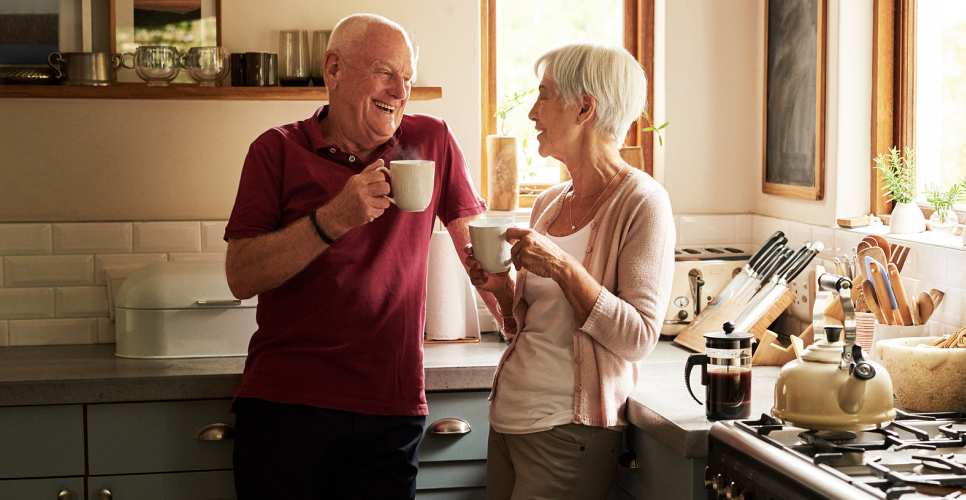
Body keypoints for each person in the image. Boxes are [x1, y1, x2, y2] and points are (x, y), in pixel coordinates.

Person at [223, 13, 489, 500]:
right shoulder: (276, 150)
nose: (400, 90)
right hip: (286, 404)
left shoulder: (432, 141)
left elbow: (475, 250)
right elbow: (240, 275)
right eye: (386, 71)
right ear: (334, 69)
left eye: (407, 78)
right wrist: (333, 220)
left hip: (391, 407)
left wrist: (520, 321)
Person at [464, 41, 675, 500]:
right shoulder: (547, 203)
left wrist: (562, 266)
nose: (532, 113)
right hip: (508, 424)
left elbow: (638, 337)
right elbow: (527, 327)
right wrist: (503, 290)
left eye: (544, 96)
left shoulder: (643, 203)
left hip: (567, 435)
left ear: (584, 108)